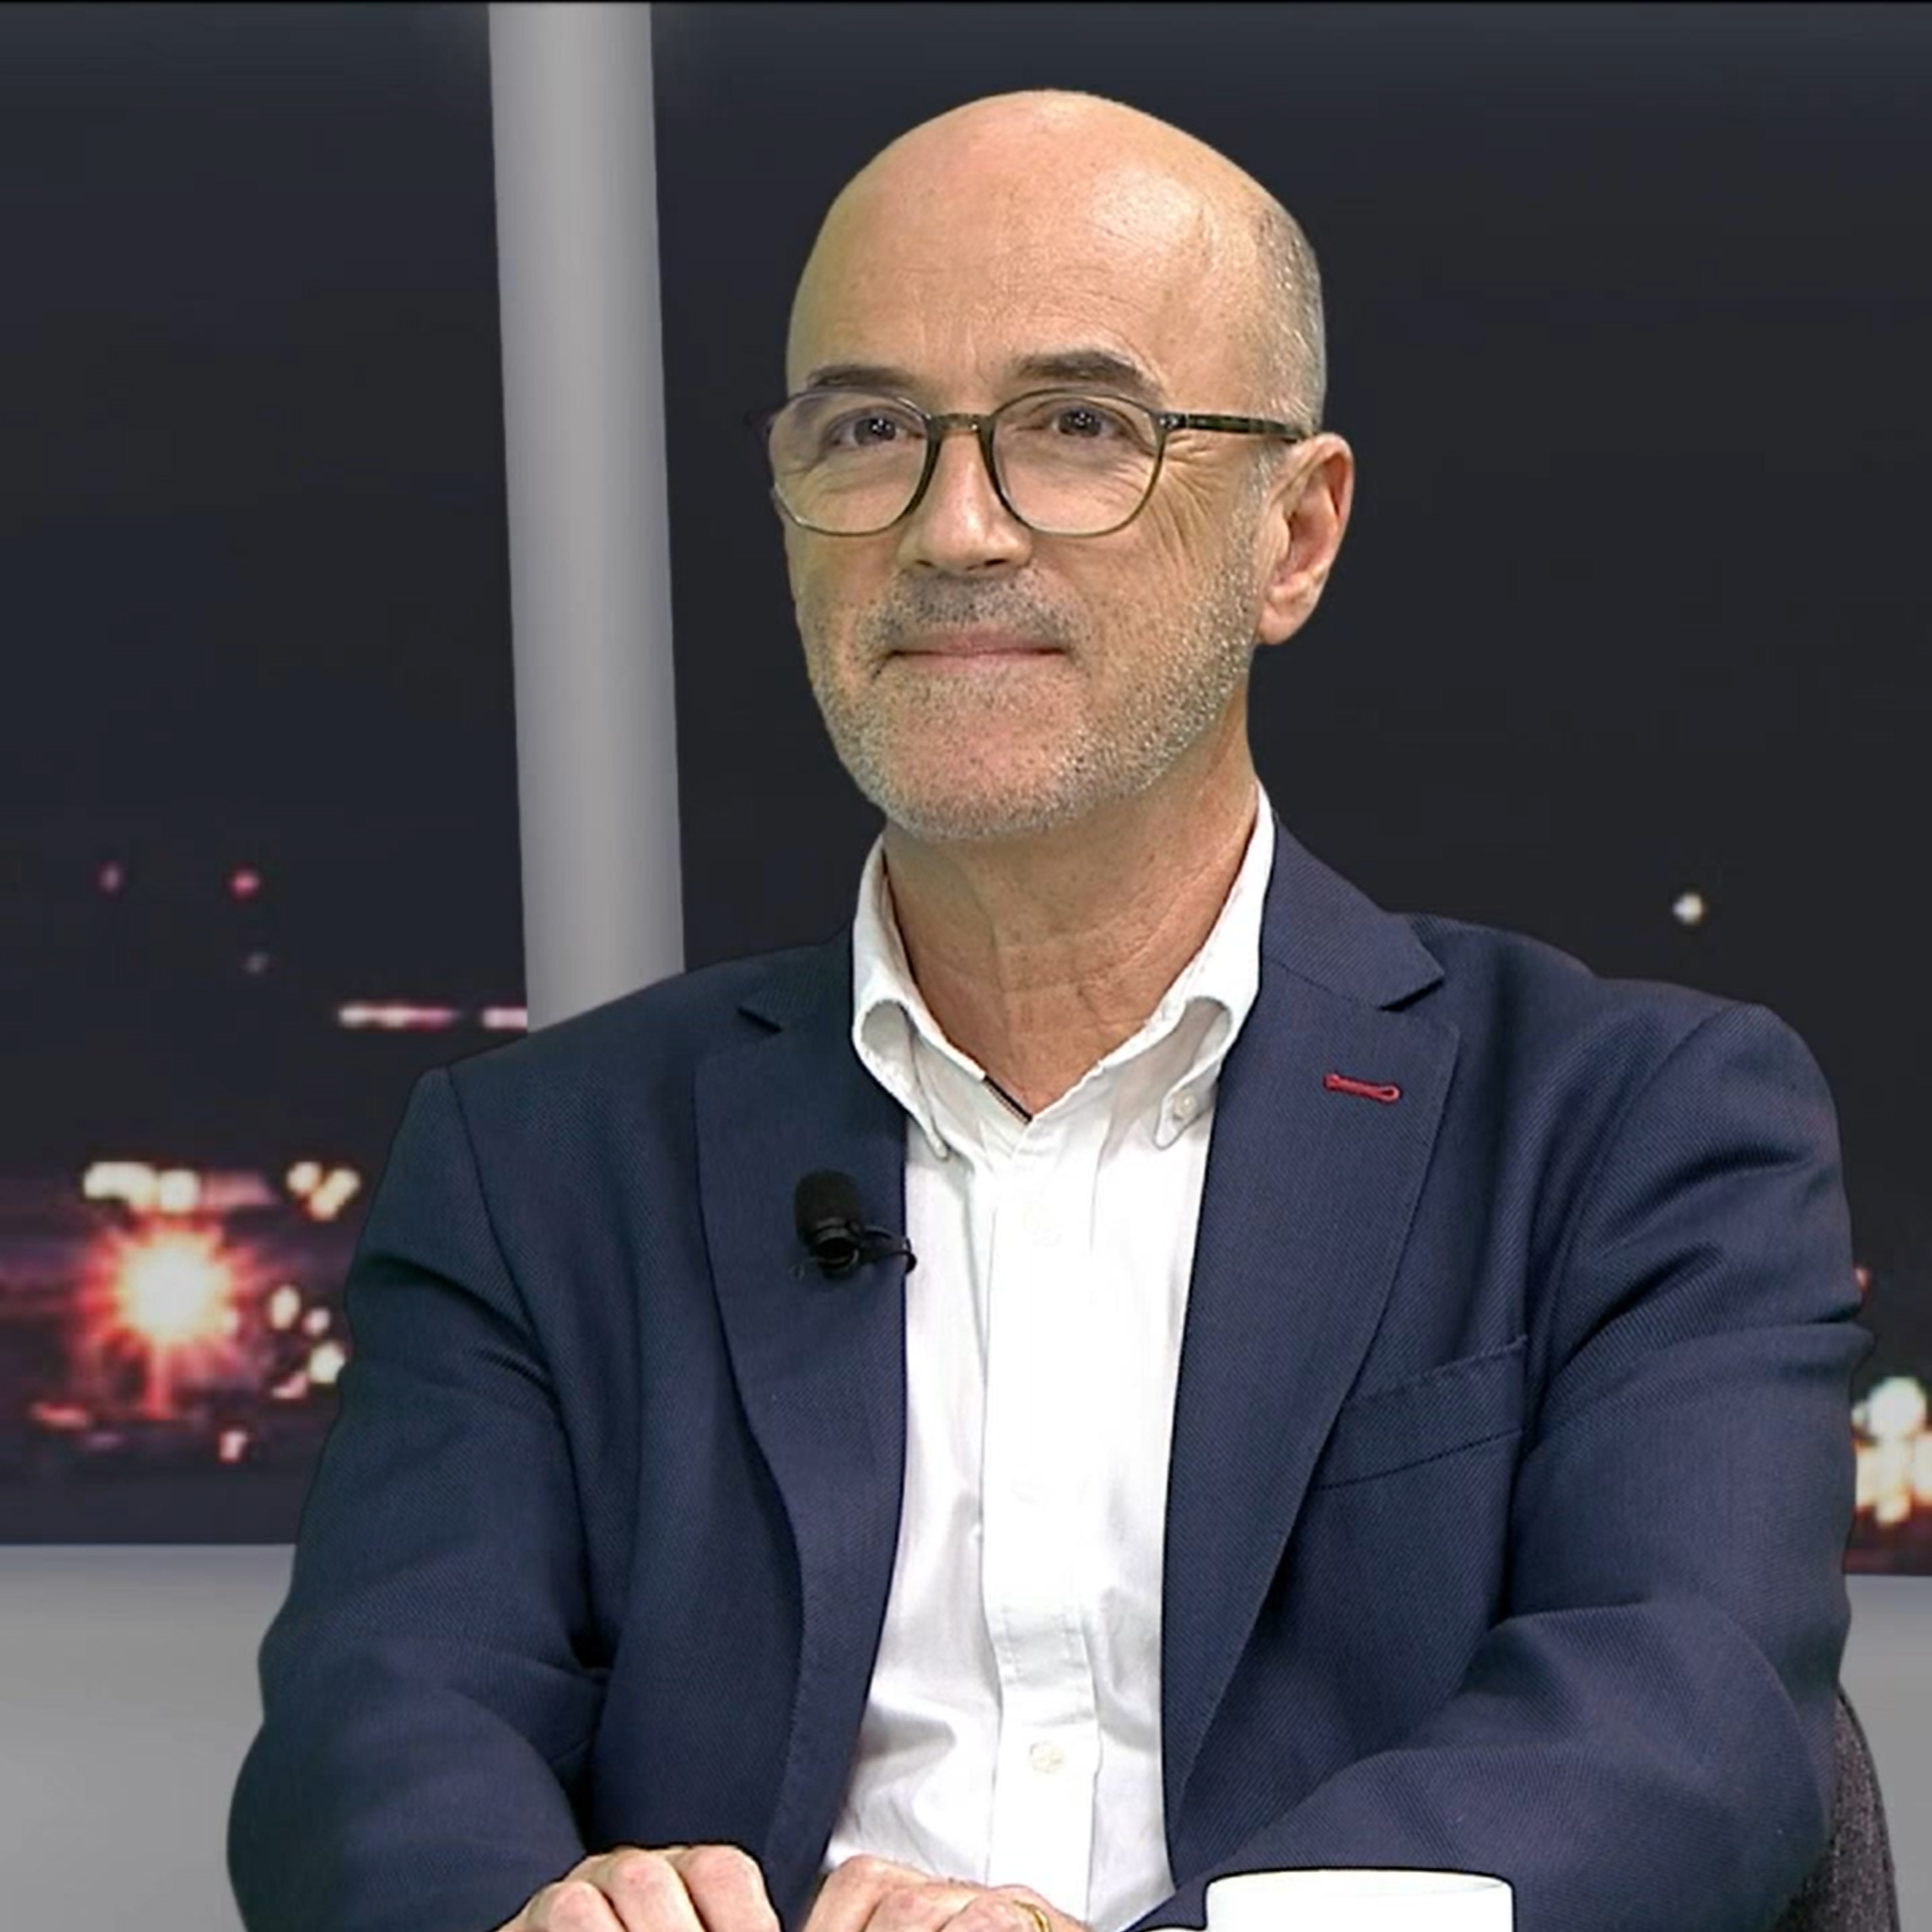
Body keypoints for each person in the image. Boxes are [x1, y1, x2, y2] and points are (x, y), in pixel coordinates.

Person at [227, 87, 1871, 1932]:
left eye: (1081, 427)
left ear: (1295, 535)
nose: (955, 529)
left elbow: (1679, 1742)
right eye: (869, 430)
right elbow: (377, 1743)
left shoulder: (1634, 1126)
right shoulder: (535, 1166)